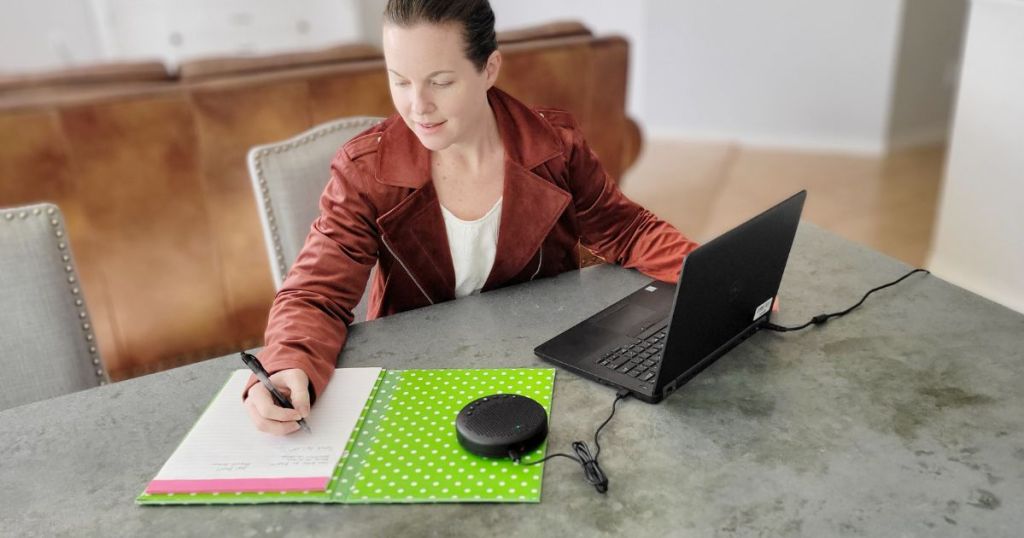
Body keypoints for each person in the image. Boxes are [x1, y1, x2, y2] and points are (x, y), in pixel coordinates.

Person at [244, 0, 699, 435]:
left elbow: (628, 230)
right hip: (420, 384)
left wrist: (709, 279)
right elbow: (314, 294)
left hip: (548, 371)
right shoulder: (365, 172)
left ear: (489, 70)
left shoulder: (556, 147)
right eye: (400, 80)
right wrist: (287, 363)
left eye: (440, 82)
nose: (417, 106)